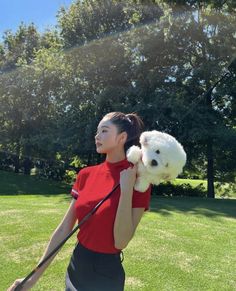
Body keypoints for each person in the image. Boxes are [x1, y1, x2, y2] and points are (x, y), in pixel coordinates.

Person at [8, 112, 152, 291]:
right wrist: (31, 280)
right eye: (97, 131)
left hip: (106, 274)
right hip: (77, 265)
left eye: (104, 131)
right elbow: (63, 229)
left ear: (121, 138)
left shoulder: (139, 180)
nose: (97, 136)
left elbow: (121, 242)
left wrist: (126, 190)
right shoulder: (86, 174)